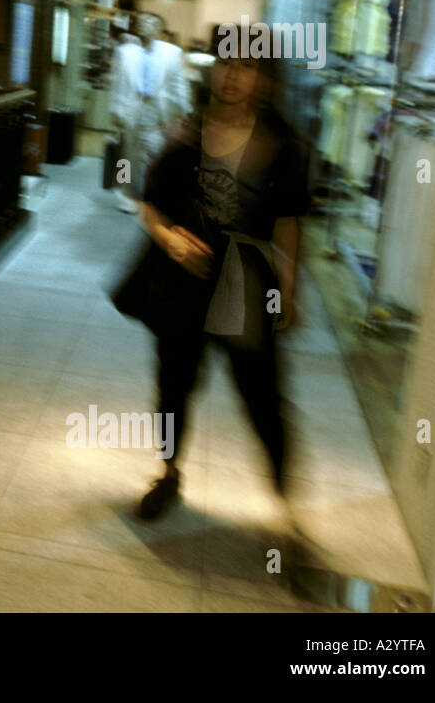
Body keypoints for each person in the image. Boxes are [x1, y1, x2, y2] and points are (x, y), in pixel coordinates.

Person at [122, 49, 309, 519]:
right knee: (173, 383)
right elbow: (149, 206)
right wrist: (170, 241)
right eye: (227, 63)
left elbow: (289, 222)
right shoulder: (185, 135)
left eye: (248, 66)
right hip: (186, 281)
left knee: (262, 391)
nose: (233, 75)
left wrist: (289, 289)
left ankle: (287, 499)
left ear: (265, 78)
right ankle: (168, 474)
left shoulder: (283, 145)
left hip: (245, 284)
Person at [110, 12, 190, 213]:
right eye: (143, 22)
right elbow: (118, 83)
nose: (146, 25)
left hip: (157, 109)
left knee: (154, 151)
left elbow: (179, 82)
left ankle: (146, 194)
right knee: (128, 154)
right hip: (131, 107)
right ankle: (126, 193)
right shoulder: (125, 52)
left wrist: (185, 110)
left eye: (152, 22)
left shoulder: (171, 53)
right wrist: (115, 111)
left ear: (159, 29)